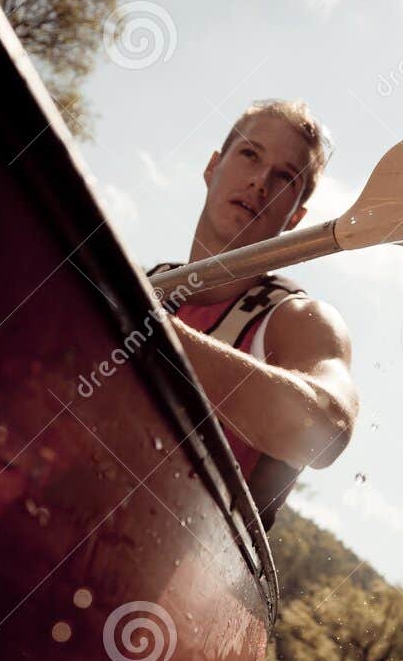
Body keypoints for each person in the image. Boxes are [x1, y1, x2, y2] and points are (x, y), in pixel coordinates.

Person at [150, 99, 358, 528]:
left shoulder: (299, 319)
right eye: (250, 154)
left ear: (296, 216)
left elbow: (326, 431)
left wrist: (153, 332)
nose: (260, 182)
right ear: (212, 167)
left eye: (285, 177)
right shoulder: (143, 282)